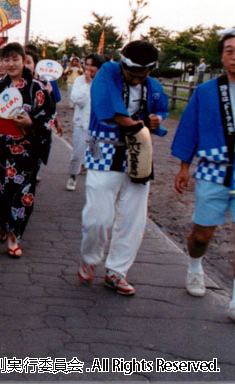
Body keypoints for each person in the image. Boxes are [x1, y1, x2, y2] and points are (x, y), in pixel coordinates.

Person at [78, 40, 168, 296]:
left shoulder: (151, 85)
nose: (138, 80)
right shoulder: (107, 71)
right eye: (132, 74)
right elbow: (109, 109)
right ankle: (89, 257)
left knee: (133, 217)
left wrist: (156, 118)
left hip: (139, 153)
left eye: (144, 75)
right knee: (98, 217)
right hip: (105, 151)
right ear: (123, 65)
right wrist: (138, 124)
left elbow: (161, 108)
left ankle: (117, 271)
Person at [171, 28, 235, 323]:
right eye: (230, 51)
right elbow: (189, 129)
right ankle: (195, 265)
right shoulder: (206, 91)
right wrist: (184, 167)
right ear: (221, 56)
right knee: (202, 235)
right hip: (214, 170)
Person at [0, 43, 56, 258]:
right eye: (5, 59)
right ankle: (2, 223)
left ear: (23, 60)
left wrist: (32, 122)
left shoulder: (37, 88)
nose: (10, 64)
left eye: (15, 59)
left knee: (22, 195)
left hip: (26, 150)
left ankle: (14, 237)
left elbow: (49, 116)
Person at [66, 54, 105, 191]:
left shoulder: (104, 82)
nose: (88, 68)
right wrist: (88, 84)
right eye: (86, 64)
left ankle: (94, 183)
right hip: (81, 124)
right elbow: (77, 100)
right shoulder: (80, 81)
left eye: (92, 65)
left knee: (96, 155)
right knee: (77, 153)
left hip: (98, 126)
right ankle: (72, 176)